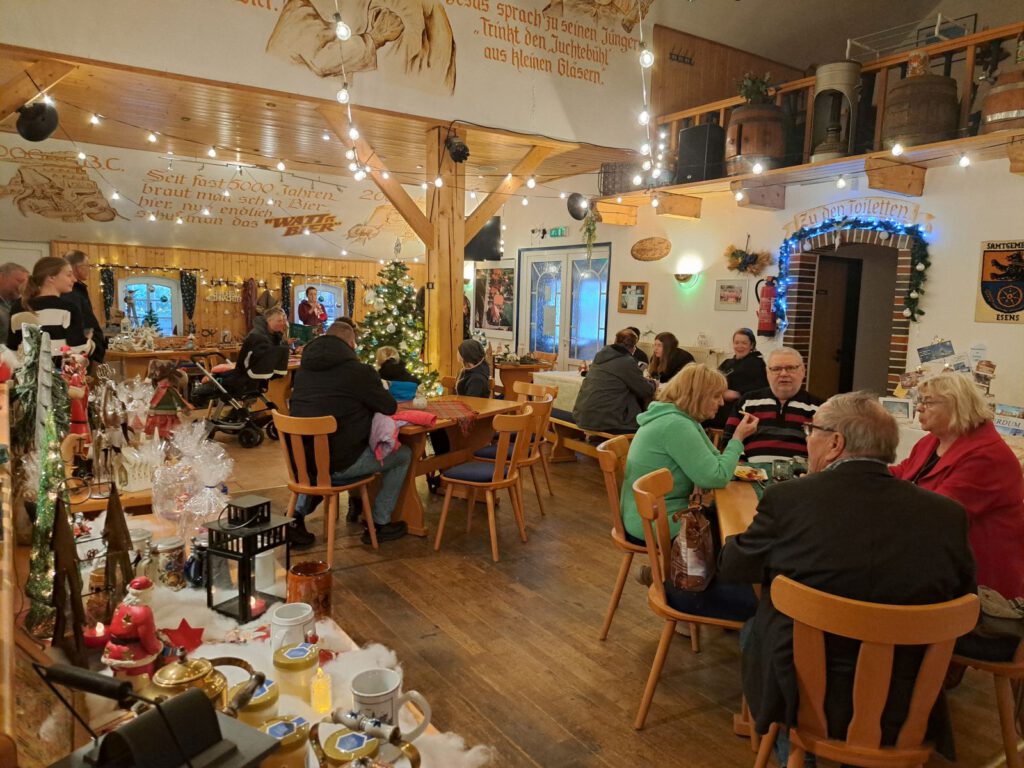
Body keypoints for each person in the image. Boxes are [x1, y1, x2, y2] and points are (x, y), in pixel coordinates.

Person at [719, 392, 976, 762]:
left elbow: (734, 568)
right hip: (906, 695)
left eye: (812, 430)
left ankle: (794, 751)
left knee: (754, 629)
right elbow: (962, 597)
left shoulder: (789, 499)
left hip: (805, 693)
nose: (808, 438)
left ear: (836, 442)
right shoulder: (947, 515)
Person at [892, 374, 1024, 658]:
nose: (918, 408)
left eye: (927, 401)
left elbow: (940, 511)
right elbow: (904, 472)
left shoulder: (987, 455)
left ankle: (912, 669)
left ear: (957, 405)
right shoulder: (932, 442)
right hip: (941, 558)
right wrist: (861, 473)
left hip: (978, 585)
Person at [620, 364, 760, 619]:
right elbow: (715, 476)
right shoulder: (676, 425)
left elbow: (715, 461)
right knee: (732, 538)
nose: (720, 403)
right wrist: (738, 439)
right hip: (653, 522)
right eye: (716, 396)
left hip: (650, 513)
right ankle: (686, 587)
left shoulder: (678, 418)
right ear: (698, 395)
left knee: (723, 522)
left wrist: (726, 455)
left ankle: (668, 574)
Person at [289, 319, 411, 546]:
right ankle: (380, 523)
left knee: (317, 456)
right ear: (351, 345)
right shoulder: (359, 372)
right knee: (403, 455)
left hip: (302, 464)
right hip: (342, 464)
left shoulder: (304, 371)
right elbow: (389, 407)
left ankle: (295, 518)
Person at [723, 347, 821, 463]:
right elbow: (728, 441)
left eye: (790, 368)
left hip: (799, 478)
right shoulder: (747, 402)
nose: (784, 374)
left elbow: (824, 451)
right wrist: (745, 469)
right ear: (767, 372)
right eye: (776, 369)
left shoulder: (819, 409)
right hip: (749, 475)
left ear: (803, 371)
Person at [6, 255, 91, 367]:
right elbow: (76, 353)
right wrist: (90, 343)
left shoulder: (18, 306)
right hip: (58, 378)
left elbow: (13, 349)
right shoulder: (68, 309)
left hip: (25, 379)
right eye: (68, 274)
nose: (74, 279)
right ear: (51, 277)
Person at [572, 329, 656, 434]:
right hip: (606, 421)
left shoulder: (600, 355)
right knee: (647, 426)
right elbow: (645, 390)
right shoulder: (627, 361)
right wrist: (654, 383)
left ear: (615, 342)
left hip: (582, 415)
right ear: (633, 348)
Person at [217, 307, 290, 400]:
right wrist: (282, 350)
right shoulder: (256, 335)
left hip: (258, 377)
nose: (283, 323)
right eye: (279, 321)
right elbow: (260, 357)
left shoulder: (274, 334)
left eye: (283, 321)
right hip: (247, 375)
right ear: (269, 320)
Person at [708, 327, 768, 428]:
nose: (740, 346)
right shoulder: (728, 363)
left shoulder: (757, 364)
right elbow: (712, 380)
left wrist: (738, 394)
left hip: (738, 409)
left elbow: (761, 389)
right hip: (719, 402)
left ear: (751, 345)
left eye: (744, 343)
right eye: (737, 343)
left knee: (701, 416)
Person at [61, 250, 106, 364]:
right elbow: (80, 325)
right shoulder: (71, 293)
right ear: (78, 267)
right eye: (87, 266)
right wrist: (92, 346)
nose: (89, 269)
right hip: (80, 353)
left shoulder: (77, 291)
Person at [0, 262, 29, 344]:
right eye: (20, 281)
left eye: (25, 283)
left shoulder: (20, 305)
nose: (23, 287)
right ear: (1, 277)